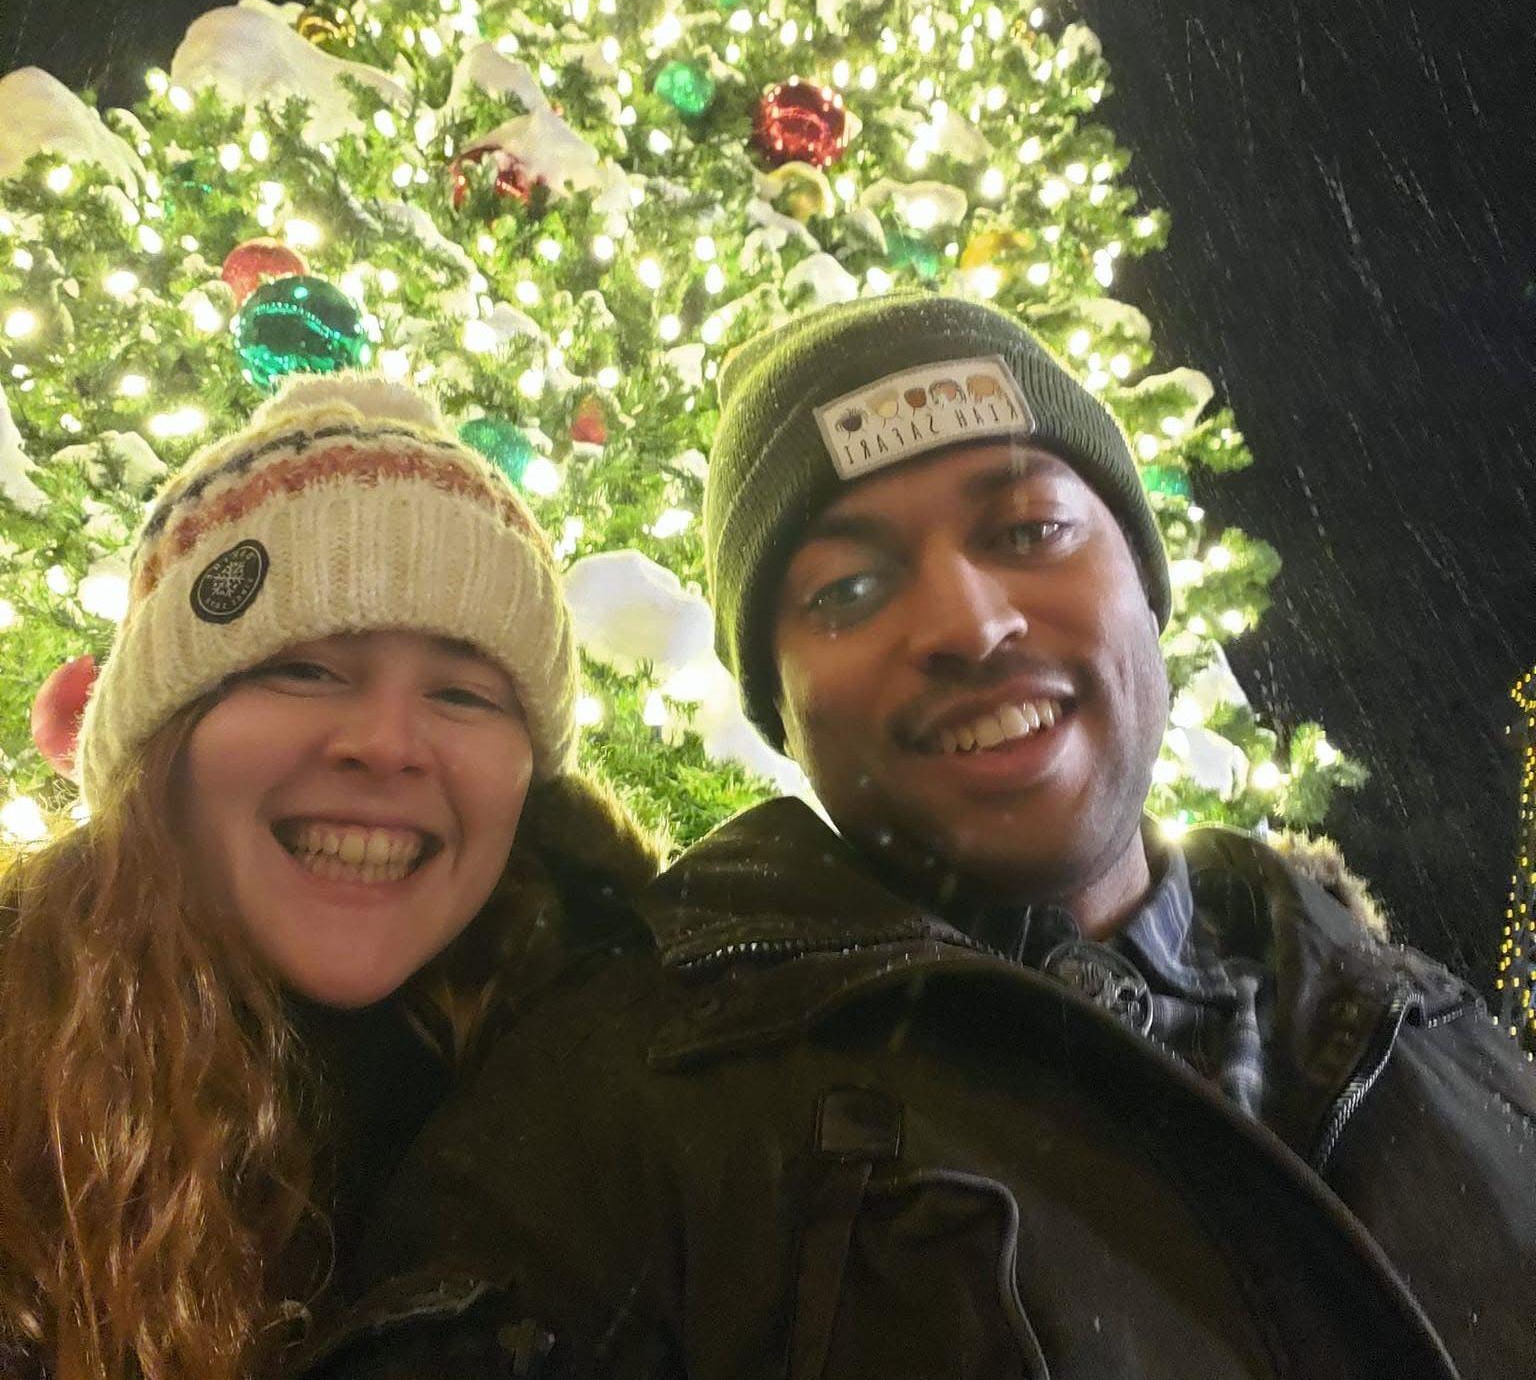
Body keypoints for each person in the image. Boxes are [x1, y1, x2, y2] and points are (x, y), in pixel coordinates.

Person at [308, 295, 1536, 1380]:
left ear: (1144, 579)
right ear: (782, 707)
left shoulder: (1408, 1009)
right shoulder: (619, 1111)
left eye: (1028, 529)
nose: (968, 621)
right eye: (846, 589)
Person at [0, 374, 657, 1380]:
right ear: (162, 739)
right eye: (301, 668)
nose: (387, 743)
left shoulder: (638, 1105)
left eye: (463, 693)